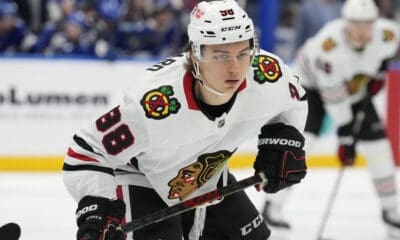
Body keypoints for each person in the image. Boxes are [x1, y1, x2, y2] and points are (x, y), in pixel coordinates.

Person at [62, 0, 308, 239]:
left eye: (243, 53)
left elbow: (294, 99)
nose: (235, 68)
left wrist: (285, 138)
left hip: (206, 174)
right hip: (141, 176)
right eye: (221, 56)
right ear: (194, 54)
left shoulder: (267, 73)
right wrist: (95, 207)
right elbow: (87, 151)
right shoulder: (154, 103)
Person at [292, 0, 400, 235]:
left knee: (379, 147)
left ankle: (392, 211)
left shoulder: (388, 34)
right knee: (304, 140)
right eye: (356, 24)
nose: (362, 31)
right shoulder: (329, 48)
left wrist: (379, 69)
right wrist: (346, 135)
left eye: (367, 24)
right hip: (311, 84)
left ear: (375, 22)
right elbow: (335, 99)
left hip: (353, 86)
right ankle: (274, 207)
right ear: (345, 23)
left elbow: (391, 49)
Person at [261, 0, 343, 231]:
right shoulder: (309, 7)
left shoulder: (341, 9)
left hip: (335, 80)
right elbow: (300, 40)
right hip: (309, 81)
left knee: (306, 142)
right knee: (302, 143)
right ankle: (273, 202)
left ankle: (273, 202)